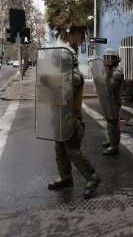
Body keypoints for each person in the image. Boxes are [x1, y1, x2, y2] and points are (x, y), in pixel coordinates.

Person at [48, 53, 99, 200]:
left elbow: (65, 93)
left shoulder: (75, 76)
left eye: (60, 63)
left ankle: (93, 178)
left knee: (72, 151)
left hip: (70, 119)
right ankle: (66, 177)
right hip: (59, 117)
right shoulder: (62, 75)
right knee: (60, 149)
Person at [101, 48, 124, 155]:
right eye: (106, 58)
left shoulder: (116, 72)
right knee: (110, 124)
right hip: (109, 101)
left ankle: (114, 147)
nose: (107, 60)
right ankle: (111, 141)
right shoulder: (111, 70)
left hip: (114, 102)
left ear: (115, 59)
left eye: (110, 58)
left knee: (113, 125)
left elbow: (109, 88)